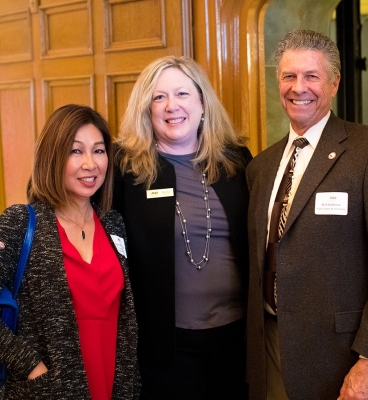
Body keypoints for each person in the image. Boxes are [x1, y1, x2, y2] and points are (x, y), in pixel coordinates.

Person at [246, 29, 368, 400]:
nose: (299, 87)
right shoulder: (261, 167)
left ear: (333, 83)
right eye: (289, 76)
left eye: (311, 76)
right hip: (269, 348)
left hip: (341, 357)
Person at [113, 55, 252, 399]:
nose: (171, 106)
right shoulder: (124, 170)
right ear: (146, 109)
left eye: (182, 94)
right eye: (158, 97)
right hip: (164, 347)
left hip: (236, 341)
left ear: (202, 102)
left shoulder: (237, 161)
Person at [0, 104, 140, 399]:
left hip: (113, 385)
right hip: (50, 390)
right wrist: (31, 367)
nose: (90, 164)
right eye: (76, 151)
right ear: (53, 158)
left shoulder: (113, 222)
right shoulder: (19, 223)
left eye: (99, 150)